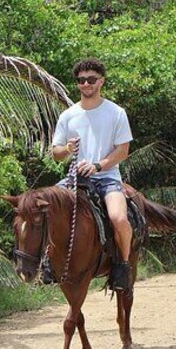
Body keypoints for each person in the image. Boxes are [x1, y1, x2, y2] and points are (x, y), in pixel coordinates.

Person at [51, 57, 134, 291]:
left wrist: (98, 166)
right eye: (81, 80)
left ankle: (123, 266)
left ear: (101, 82)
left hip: (107, 177)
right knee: (44, 210)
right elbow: (55, 153)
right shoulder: (68, 115)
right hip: (74, 178)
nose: (85, 84)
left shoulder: (116, 112)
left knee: (119, 218)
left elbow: (123, 151)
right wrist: (67, 149)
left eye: (91, 80)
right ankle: (49, 264)